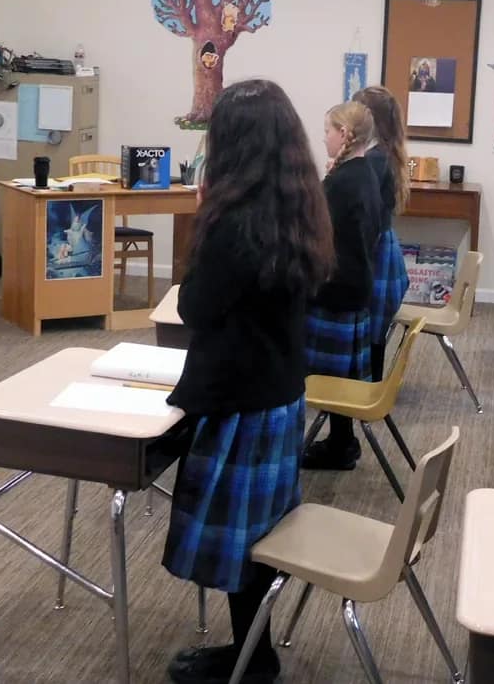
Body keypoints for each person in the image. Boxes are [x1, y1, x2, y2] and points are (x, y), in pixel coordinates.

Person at [163, 79, 334, 684]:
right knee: (256, 540)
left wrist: (202, 221)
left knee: (242, 545)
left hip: (241, 402)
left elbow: (195, 307)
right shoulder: (299, 202)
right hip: (278, 393)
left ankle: (252, 661)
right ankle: (250, 652)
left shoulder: (234, 219)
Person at [301, 101, 383, 470]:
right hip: (355, 286)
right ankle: (341, 440)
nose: (324, 138)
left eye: (328, 131)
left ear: (345, 135)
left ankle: (335, 443)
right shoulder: (365, 172)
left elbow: (312, 228)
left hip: (334, 289)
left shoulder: (341, 182)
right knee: (341, 376)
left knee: (322, 374)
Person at [352, 86, 410, 383]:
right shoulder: (383, 153)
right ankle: (371, 383)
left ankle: (370, 387)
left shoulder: (374, 159)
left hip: (374, 251)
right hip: (382, 247)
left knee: (371, 325)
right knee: (374, 326)